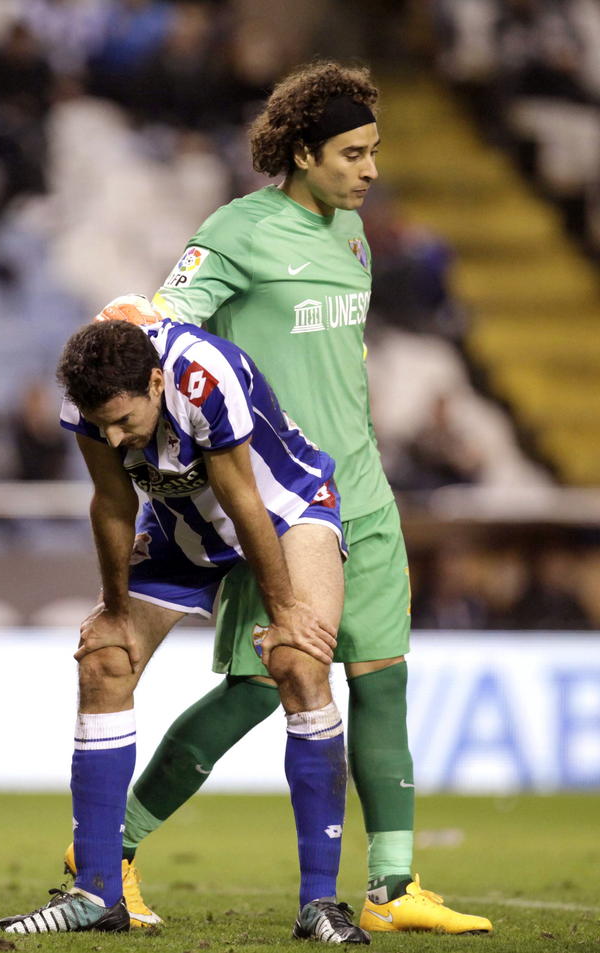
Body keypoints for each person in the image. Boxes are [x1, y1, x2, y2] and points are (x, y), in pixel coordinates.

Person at [64, 60, 493, 936]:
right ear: (302, 152)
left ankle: (393, 886)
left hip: (363, 486)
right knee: (263, 685)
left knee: (382, 678)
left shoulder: (353, 234)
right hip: (274, 496)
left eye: (374, 151)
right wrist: (132, 319)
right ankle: (115, 847)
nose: (371, 171)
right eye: (353, 154)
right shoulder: (236, 232)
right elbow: (160, 316)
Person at [0, 303, 370, 943]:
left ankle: (319, 903)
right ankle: (96, 893)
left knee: (298, 665)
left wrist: (284, 614)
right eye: (98, 426)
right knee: (105, 661)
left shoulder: (203, 376)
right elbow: (113, 502)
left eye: (122, 422)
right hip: (181, 530)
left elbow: (242, 499)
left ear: (156, 385)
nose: (112, 439)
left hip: (285, 512)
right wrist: (114, 611)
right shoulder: (89, 401)